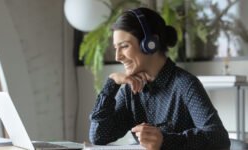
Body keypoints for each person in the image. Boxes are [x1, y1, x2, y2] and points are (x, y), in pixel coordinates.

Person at [89, 7, 230, 150]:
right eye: (116, 48)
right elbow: (98, 136)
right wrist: (111, 84)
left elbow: (219, 139)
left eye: (124, 46)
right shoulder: (130, 91)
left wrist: (164, 140)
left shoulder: (185, 84)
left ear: (150, 44)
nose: (117, 57)